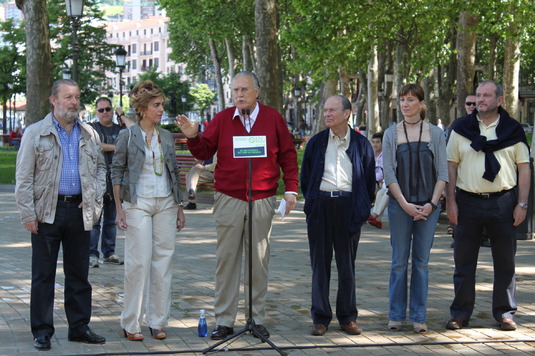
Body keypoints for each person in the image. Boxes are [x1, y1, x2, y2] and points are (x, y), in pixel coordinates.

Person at [175, 71, 298, 340]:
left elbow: (288, 154)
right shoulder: (222, 119)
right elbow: (205, 152)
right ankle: (225, 321)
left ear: (257, 91)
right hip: (229, 198)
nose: (239, 95)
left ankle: (256, 318)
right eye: (235, 90)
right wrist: (193, 136)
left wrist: (290, 190)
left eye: (244, 89)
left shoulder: (272, 118)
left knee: (258, 262)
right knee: (227, 261)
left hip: (263, 199)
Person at [15, 79, 107, 350]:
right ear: (54, 100)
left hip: (79, 211)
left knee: (79, 274)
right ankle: (42, 331)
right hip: (47, 212)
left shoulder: (90, 133)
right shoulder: (35, 132)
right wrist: (27, 213)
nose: (74, 102)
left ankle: (79, 328)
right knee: (43, 275)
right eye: (68, 97)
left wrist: (93, 197)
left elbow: (101, 169)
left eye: (77, 97)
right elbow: (23, 177)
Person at [445, 80, 530, 332]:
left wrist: (522, 203)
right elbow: (450, 166)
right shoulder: (461, 129)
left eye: (486, 96)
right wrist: (450, 202)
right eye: (478, 96)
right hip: (467, 201)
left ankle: (505, 313)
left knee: (505, 262)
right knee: (463, 262)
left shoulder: (513, 130)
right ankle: (460, 313)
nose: (481, 100)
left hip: (504, 202)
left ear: (500, 100)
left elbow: (524, 168)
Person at [111, 80, 186, 341]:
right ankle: (131, 322)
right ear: (143, 109)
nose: (161, 110)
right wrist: (119, 208)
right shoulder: (127, 136)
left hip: (165, 202)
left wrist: (179, 206)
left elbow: (174, 172)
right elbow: (117, 172)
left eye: (162, 105)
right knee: (138, 262)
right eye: (156, 105)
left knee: (163, 262)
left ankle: (157, 321)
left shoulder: (165, 135)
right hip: (137, 203)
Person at [300, 95, 375, 337]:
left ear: (347, 113)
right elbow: (306, 178)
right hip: (321, 207)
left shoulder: (362, 144)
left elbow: (369, 181)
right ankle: (320, 318)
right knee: (319, 265)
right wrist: (312, 204)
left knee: (347, 266)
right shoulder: (316, 142)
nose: (327, 114)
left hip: (349, 208)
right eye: (325, 110)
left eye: (333, 110)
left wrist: (362, 209)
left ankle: (347, 317)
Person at [383, 83, 448, 333]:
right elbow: (388, 173)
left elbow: (442, 172)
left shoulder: (436, 133)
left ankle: (419, 316)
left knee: (421, 262)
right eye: (402, 99)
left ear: (422, 104)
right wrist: (404, 204)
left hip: (428, 207)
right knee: (399, 261)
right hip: (401, 206)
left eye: (411, 100)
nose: (405, 104)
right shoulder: (391, 133)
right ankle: (396, 315)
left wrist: (432, 204)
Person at [88, 97, 122, 267]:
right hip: (97, 179)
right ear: (97, 112)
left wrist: (122, 116)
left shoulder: (120, 129)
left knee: (111, 220)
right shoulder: (92, 128)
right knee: (95, 220)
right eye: (101, 110)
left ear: (112, 110)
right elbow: (94, 145)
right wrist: (116, 147)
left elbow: (133, 136)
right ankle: (92, 254)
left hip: (115, 180)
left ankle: (109, 252)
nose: (105, 113)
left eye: (108, 109)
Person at [368, 132, 388, 229]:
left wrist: (371, 177)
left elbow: (382, 174)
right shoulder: (371, 155)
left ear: (382, 143)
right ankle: (377, 218)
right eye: (373, 142)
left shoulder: (385, 156)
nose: (375, 144)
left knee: (385, 192)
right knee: (380, 193)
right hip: (377, 182)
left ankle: (375, 215)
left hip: (383, 182)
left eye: (378, 142)